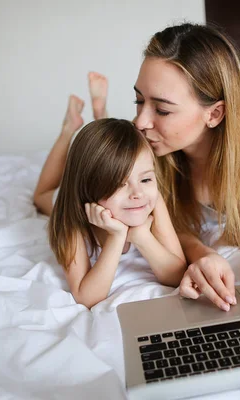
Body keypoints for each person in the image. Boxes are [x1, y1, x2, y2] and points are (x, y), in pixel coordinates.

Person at [36, 23, 240, 321]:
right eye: (138, 100)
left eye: (161, 110)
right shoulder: (150, 148)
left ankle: (98, 113)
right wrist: (204, 255)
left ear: (214, 114)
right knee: (46, 196)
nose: (140, 122)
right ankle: (84, 122)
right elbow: (174, 229)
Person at [34, 97, 186, 309]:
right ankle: (68, 129)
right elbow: (86, 298)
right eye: (120, 184)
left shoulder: (151, 199)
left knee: (111, 157)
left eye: (146, 179)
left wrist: (142, 237)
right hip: (65, 199)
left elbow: (177, 275)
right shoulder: (71, 217)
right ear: (90, 191)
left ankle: (100, 115)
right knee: (41, 196)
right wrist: (117, 237)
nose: (137, 193)